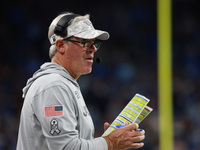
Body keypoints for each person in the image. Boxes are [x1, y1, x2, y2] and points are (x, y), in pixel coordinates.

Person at [17, 12, 145, 150]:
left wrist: (110, 142)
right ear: (60, 46)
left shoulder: (64, 84)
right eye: (85, 43)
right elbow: (67, 148)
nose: (93, 49)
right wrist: (110, 142)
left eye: (94, 43)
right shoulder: (54, 85)